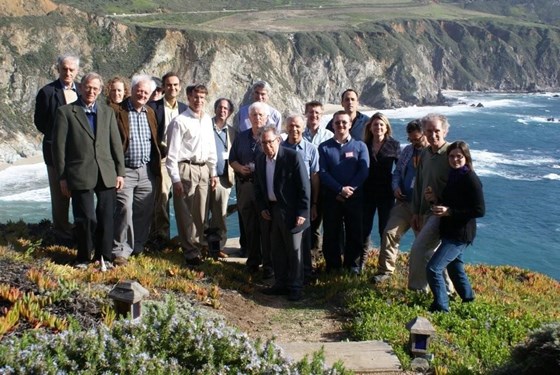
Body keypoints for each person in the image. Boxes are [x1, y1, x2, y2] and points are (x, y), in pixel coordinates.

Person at [52, 73, 125, 267]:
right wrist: (62, 177)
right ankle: (83, 257)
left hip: (106, 171)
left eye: (95, 88)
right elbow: (58, 148)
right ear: (81, 87)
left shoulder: (107, 112)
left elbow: (115, 144)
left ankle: (105, 257)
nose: (91, 91)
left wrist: (120, 172)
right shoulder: (66, 112)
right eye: (88, 87)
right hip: (79, 173)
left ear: (100, 91)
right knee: (86, 218)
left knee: (106, 216)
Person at [425, 141, 485, 312]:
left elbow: (479, 210)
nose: (455, 159)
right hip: (450, 230)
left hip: (460, 235)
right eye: (451, 156)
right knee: (455, 267)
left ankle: (441, 307)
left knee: (433, 269)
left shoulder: (471, 179)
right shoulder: (454, 175)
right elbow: (451, 203)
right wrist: (435, 200)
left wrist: (449, 212)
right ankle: (469, 301)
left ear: (466, 157)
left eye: (459, 156)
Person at [255, 125, 310, 301]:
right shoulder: (260, 159)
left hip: (293, 211)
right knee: (276, 249)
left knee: (294, 250)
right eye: (263, 143)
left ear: (278, 140)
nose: (267, 146)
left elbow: (304, 186)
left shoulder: (292, 156)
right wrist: (263, 207)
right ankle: (280, 283)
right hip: (272, 210)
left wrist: (302, 211)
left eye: (270, 142)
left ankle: (296, 287)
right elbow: (258, 187)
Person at [111, 74, 161, 265]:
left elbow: (154, 139)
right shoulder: (117, 111)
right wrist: (117, 171)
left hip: (146, 170)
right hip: (125, 170)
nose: (142, 94)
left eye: (146, 92)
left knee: (143, 210)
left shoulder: (149, 112)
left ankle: (137, 246)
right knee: (124, 209)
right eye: (139, 90)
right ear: (131, 90)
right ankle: (120, 250)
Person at [166, 84, 218, 266]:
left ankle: (199, 245)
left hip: (204, 168)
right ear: (188, 98)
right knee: (185, 212)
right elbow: (171, 154)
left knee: (201, 212)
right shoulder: (179, 121)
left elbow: (211, 147)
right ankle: (190, 252)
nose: (199, 101)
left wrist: (213, 172)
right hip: (186, 168)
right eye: (196, 97)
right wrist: (176, 179)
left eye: (202, 98)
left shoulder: (207, 120)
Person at [372, 119, 428, 283]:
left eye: (417, 139)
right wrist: (395, 187)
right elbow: (397, 172)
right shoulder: (407, 151)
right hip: (404, 203)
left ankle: (424, 280)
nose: (414, 143)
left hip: (423, 207)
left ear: (424, 134)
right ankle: (385, 272)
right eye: (411, 139)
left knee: (423, 243)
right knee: (389, 233)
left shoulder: (432, 154)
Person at [34, 53, 80, 242]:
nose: (67, 72)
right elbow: (40, 122)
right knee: (59, 194)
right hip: (54, 152)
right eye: (64, 69)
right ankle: (61, 232)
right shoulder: (47, 92)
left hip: (78, 153)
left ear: (76, 71)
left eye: (71, 70)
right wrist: (58, 137)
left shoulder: (82, 92)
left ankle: (78, 230)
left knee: (78, 191)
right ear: (58, 69)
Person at [318, 111, 369, 273]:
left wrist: (350, 189)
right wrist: (339, 189)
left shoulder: (360, 146)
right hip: (332, 198)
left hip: (355, 198)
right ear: (332, 125)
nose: (341, 125)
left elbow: (363, 171)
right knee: (331, 233)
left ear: (350, 125)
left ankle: (352, 266)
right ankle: (333, 267)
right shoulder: (324, 147)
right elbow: (322, 172)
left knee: (354, 232)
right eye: (337, 122)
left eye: (344, 122)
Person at [408, 113, 454, 292]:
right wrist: (416, 212)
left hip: (442, 213)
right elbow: (419, 184)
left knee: (419, 249)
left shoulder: (452, 154)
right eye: (428, 131)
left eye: (436, 131)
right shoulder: (426, 154)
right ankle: (447, 291)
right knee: (431, 253)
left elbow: (465, 183)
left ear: (445, 131)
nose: (433, 135)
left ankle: (417, 290)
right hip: (426, 212)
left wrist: (449, 207)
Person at [229, 102, 273, 278]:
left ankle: (269, 265)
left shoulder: (272, 137)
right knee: (250, 226)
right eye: (254, 115)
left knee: (267, 227)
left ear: (267, 117)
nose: (257, 118)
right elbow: (232, 159)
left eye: (261, 115)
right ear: (249, 117)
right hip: (246, 187)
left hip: (265, 188)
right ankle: (253, 261)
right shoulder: (241, 137)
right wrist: (239, 168)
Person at [148, 72, 188, 245]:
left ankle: (184, 237)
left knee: (184, 199)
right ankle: (162, 236)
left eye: (175, 85)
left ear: (179, 87)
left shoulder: (185, 109)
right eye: (169, 85)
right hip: (163, 159)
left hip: (182, 160)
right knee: (162, 198)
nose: (172, 88)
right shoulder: (152, 107)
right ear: (163, 87)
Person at [281, 114, 319, 282]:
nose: (294, 129)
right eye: (291, 126)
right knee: (286, 238)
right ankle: (289, 272)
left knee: (305, 237)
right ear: (286, 127)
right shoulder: (279, 148)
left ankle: (306, 273)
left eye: (297, 126)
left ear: (303, 128)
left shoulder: (311, 149)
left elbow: (315, 178)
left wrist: (314, 204)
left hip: (304, 200)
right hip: (285, 200)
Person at [362, 113, 400, 266]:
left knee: (385, 230)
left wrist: (399, 188)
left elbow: (400, 169)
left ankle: (384, 265)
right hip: (367, 192)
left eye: (381, 125)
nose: (378, 127)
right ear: (370, 128)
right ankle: (361, 263)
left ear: (386, 127)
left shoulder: (394, 145)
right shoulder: (363, 144)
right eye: (375, 125)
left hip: (386, 194)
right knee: (364, 229)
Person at [302, 100, 333, 254]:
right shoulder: (298, 135)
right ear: (305, 114)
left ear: (321, 115)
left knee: (316, 223)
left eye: (317, 113)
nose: (313, 115)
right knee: (301, 222)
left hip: (323, 186)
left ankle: (314, 258)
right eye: (311, 112)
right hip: (302, 186)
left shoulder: (329, 136)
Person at [208, 98, 237, 256]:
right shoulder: (205, 126)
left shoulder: (232, 132)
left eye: (226, 108)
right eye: (220, 107)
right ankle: (202, 245)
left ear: (230, 112)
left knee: (220, 215)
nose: (222, 110)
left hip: (224, 179)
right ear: (215, 108)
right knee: (201, 213)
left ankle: (219, 247)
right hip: (205, 177)